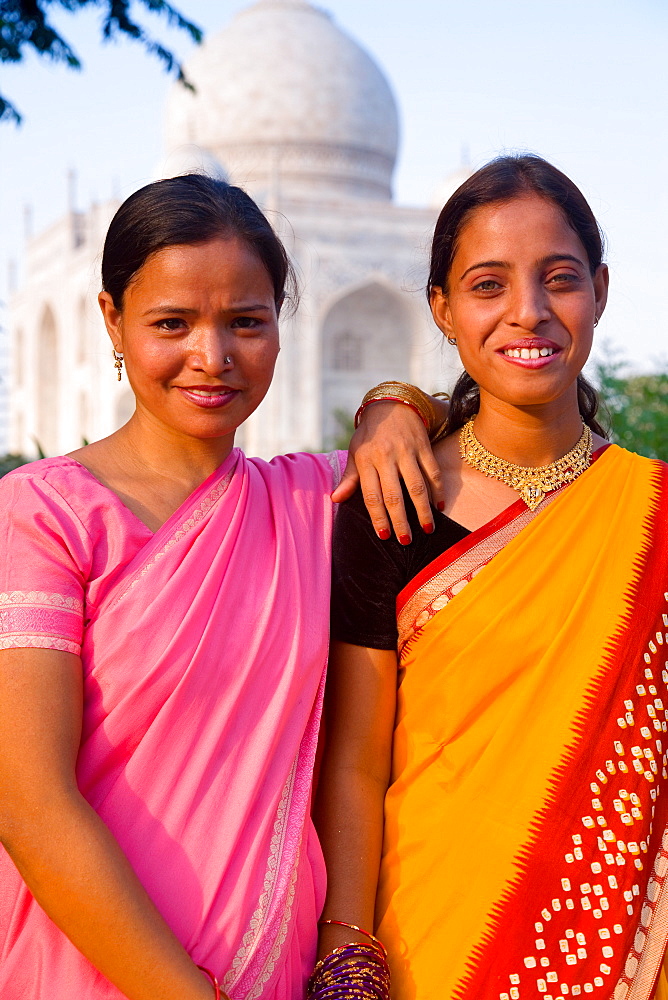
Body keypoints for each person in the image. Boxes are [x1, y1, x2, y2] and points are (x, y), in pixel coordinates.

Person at [0, 174, 443, 1000]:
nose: (215, 357)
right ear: (112, 322)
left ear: (283, 328)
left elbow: (502, 433)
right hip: (85, 967)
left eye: (247, 321)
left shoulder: (323, 500)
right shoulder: (46, 514)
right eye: (173, 323)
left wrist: (394, 403)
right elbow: (30, 806)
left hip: (272, 960)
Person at [316, 154, 668, 1000]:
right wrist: (346, 948)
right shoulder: (387, 507)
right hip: (432, 941)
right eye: (486, 285)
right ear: (440, 307)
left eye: (560, 279)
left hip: (630, 946)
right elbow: (357, 762)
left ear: (603, 288)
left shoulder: (652, 512)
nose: (528, 312)